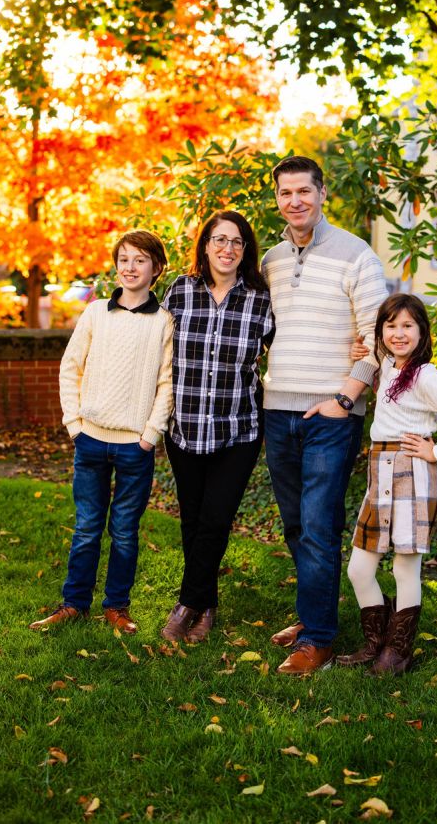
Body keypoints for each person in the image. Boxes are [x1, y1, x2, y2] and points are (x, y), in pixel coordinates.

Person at [262, 155, 388, 675]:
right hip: (276, 409)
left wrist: (344, 398)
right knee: (296, 525)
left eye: (304, 192)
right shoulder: (269, 260)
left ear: (322, 194)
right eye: (286, 193)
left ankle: (319, 639)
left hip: (330, 417)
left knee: (317, 524)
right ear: (278, 200)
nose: (295, 201)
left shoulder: (356, 254)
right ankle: (312, 615)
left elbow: (379, 337)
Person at [30, 230, 173, 636]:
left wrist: (151, 434)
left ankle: (117, 607)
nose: (130, 267)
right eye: (124, 259)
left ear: (156, 269)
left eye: (140, 260)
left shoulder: (164, 323)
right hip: (89, 439)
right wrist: (74, 424)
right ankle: (74, 603)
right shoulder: (95, 314)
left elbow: (167, 383)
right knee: (87, 527)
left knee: (125, 531)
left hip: (135, 445)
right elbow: (70, 367)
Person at [337, 293, 437, 674]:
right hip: (380, 471)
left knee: (405, 569)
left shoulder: (426, 376)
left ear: (422, 332)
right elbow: (369, 350)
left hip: (413, 473)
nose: (399, 333)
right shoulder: (388, 364)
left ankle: (397, 652)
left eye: (407, 326)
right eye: (391, 326)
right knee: (359, 569)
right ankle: (376, 641)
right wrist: (361, 348)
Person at [160, 211, 274, 644]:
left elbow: (289, 348)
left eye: (237, 242)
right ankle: (207, 606)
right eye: (219, 239)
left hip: (238, 428)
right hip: (185, 426)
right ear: (205, 245)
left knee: (216, 519)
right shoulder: (180, 292)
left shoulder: (261, 300)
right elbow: (154, 350)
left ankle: (186, 604)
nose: (228, 249)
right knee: (192, 519)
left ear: (246, 251)